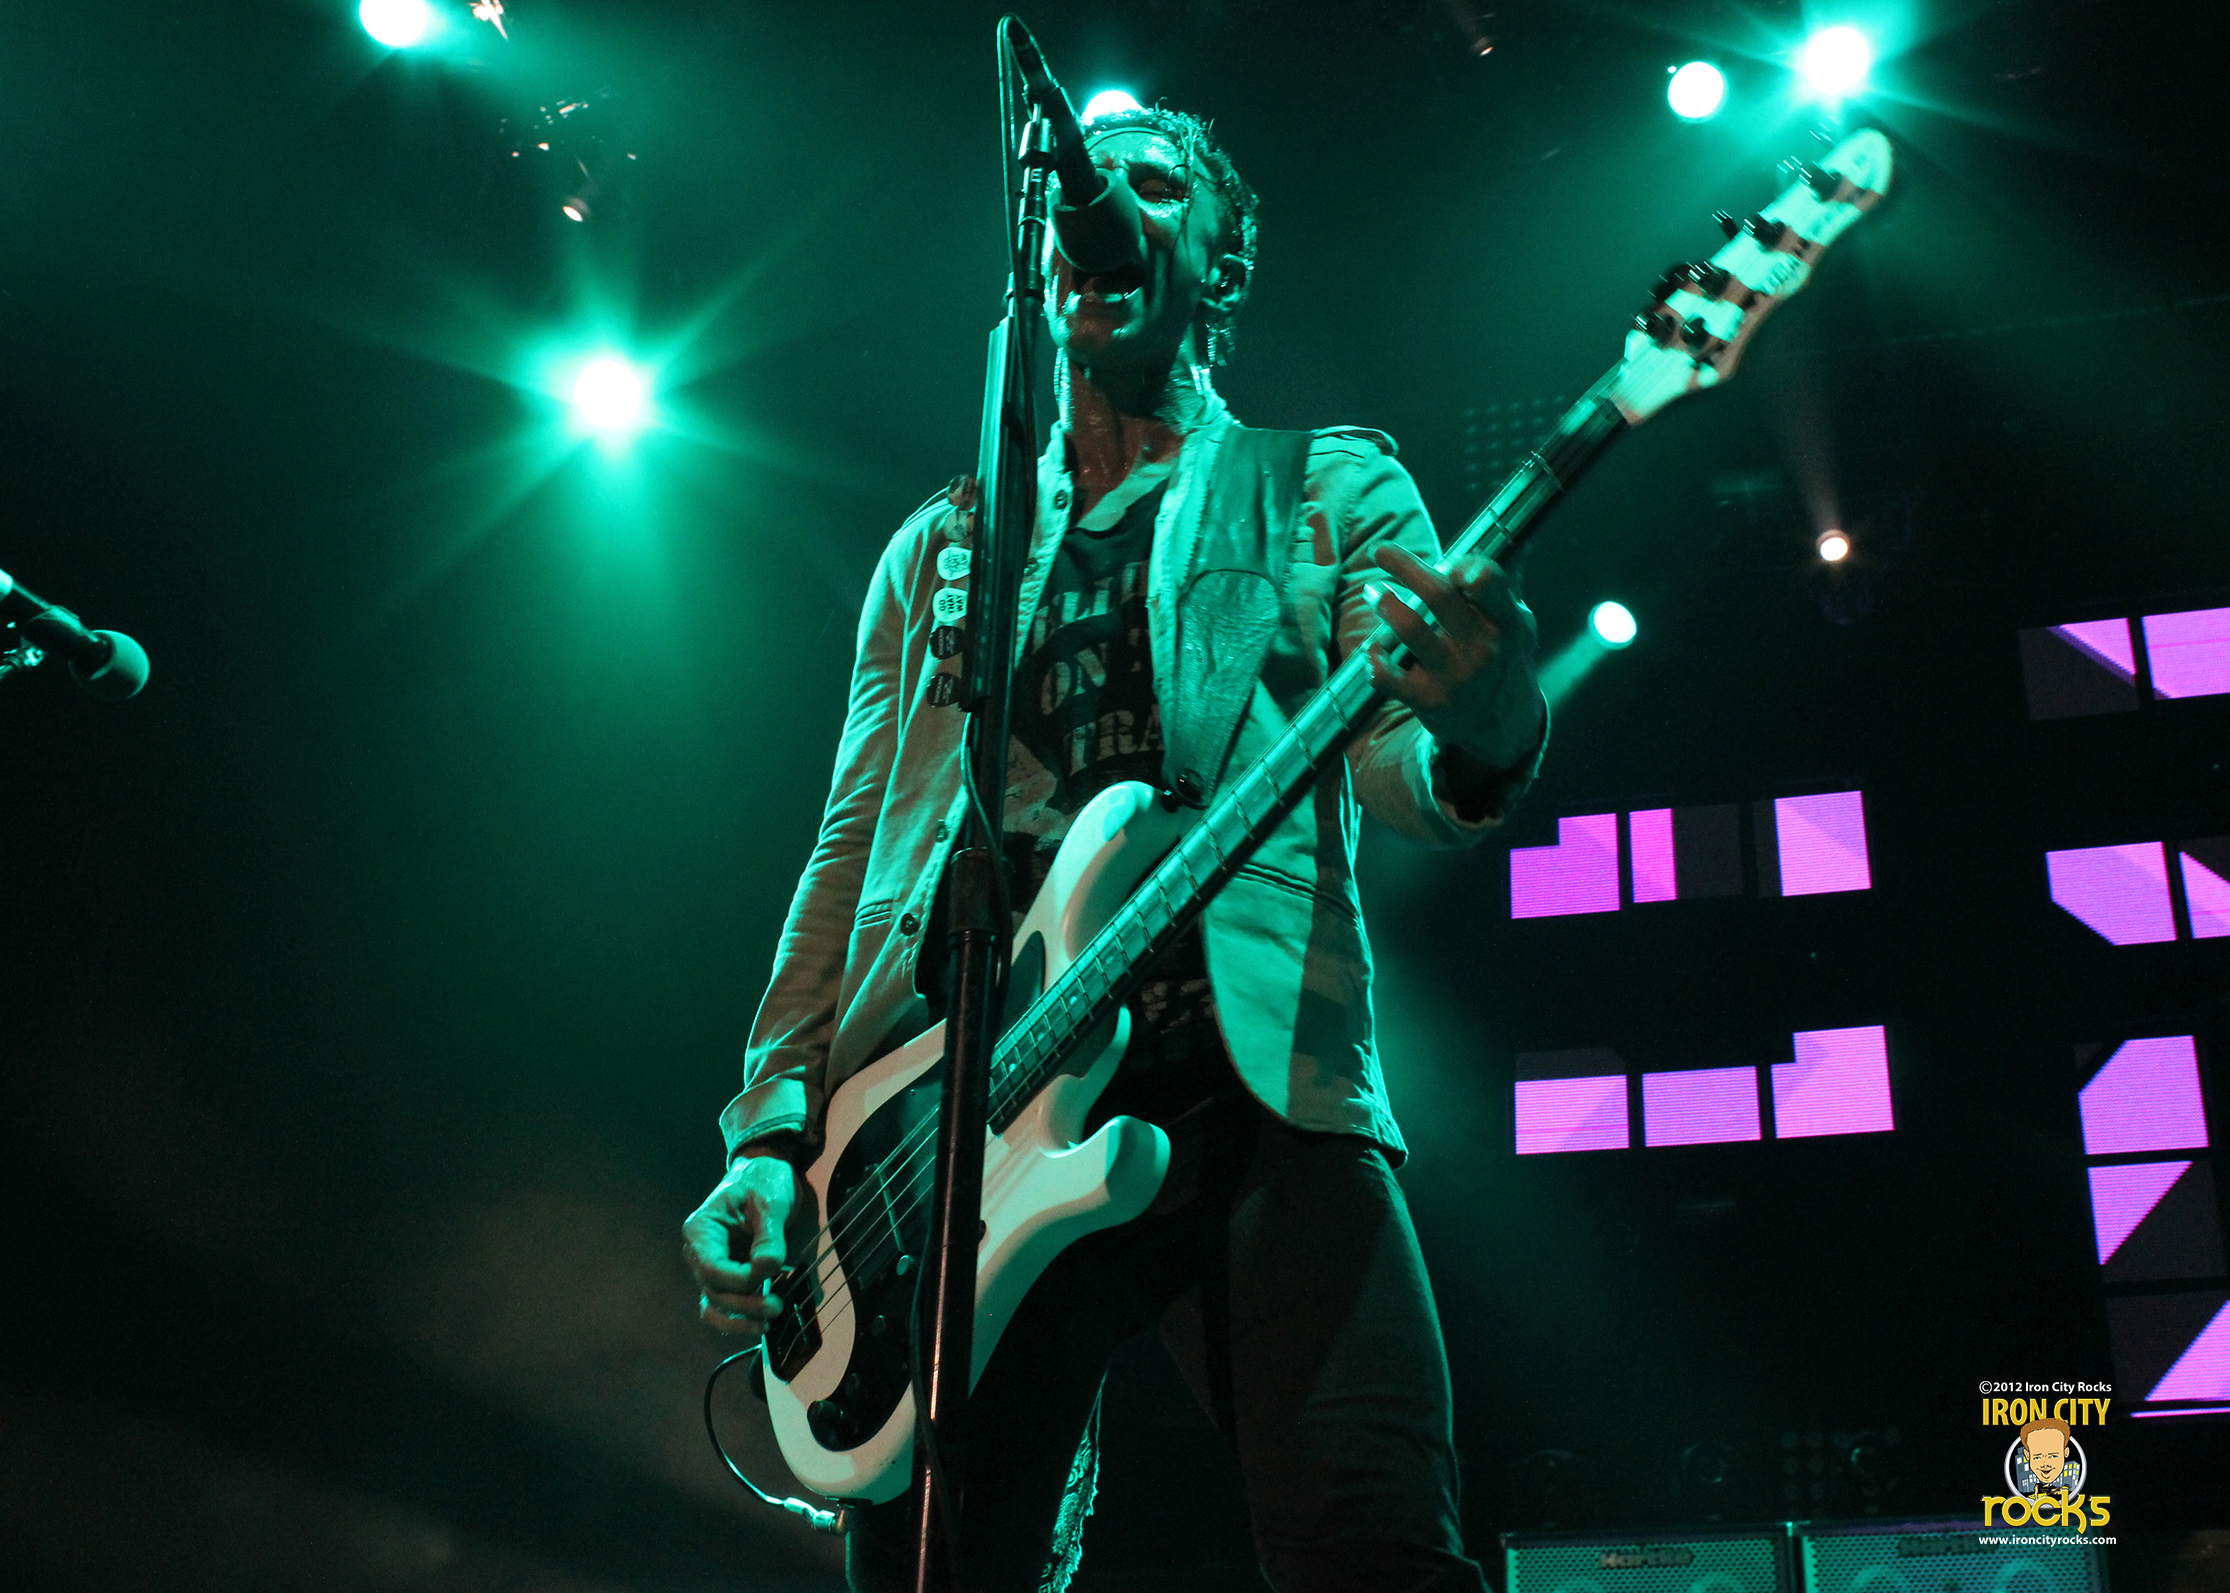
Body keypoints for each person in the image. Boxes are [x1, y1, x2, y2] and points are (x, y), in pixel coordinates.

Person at [682, 104, 1548, 1593]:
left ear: (1221, 264)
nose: (1106, 203)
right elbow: (851, 852)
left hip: (1251, 1091)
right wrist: (768, 1133)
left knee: (1376, 1551)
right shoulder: (940, 549)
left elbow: (1404, 769)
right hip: (964, 1125)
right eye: (1084, 185)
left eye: (1154, 183)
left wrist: (1489, 720)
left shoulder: (1321, 488)